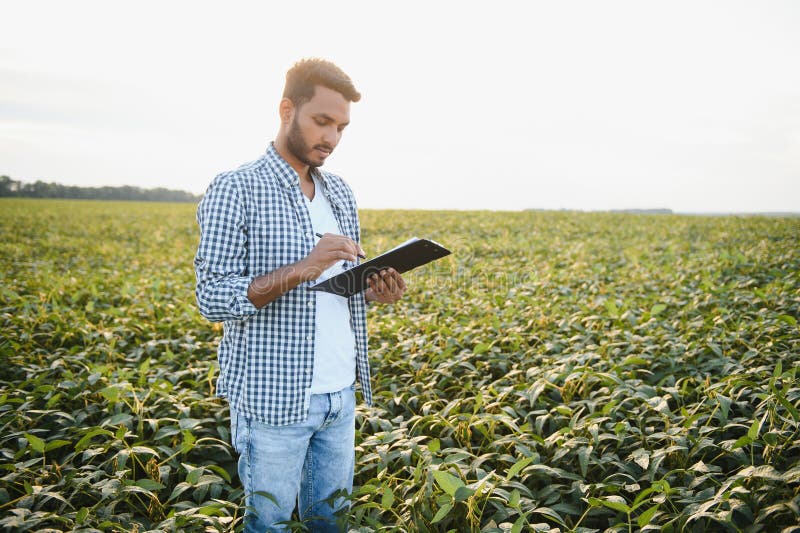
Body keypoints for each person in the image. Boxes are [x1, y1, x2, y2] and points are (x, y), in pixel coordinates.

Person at [194, 58, 406, 532]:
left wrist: (373, 291)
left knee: (331, 523)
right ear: (286, 109)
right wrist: (303, 268)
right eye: (322, 121)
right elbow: (211, 297)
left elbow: (335, 292)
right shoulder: (237, 188)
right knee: (267, 525)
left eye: (342, 127)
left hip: (340, 395)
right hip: (274, 403)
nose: (331, 137)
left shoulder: (341, 194)